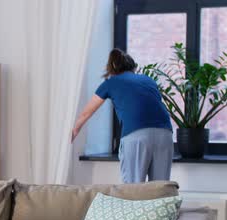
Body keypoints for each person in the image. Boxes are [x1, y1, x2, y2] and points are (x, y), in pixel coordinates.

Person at [71, 48, 174, 183]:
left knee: (133, 188)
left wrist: (73, 131)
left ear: (112, 69)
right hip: (165, 134)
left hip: (136, 135)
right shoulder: (148, 80)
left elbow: (86, 113)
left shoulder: (110, 83)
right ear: (132, 67)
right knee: (160, 188)